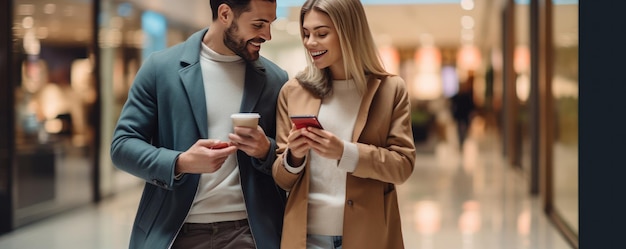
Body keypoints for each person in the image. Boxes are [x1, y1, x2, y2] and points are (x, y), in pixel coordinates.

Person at [110, 0, 287, 248]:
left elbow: (285, 158)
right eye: (259, 24)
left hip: (250, 234)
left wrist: (265, 150)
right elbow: (122, 147)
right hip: (175, 232)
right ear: (225, 14)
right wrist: (180, 163)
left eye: (270, 24)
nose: (267, 35)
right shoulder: (160, 69)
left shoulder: (276, 80)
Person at [271, 0, 416, 248]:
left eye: (322, 33)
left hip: (368, 234)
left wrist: (345, 152)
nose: (310, 42)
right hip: (306, 237)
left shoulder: (390, 90)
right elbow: (281, 178)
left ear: (349, 31)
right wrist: (293, 157)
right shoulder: (293, 92)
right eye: (306, 34)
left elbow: (402, 166)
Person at [450, 70, 476, 150]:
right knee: (459, 130)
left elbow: (471, 106)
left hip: (464, 116)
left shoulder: (466, 96)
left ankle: (462, 142)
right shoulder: (457, 96)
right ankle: (461, 142)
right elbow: (452, 105)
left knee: (464, 130)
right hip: (459, 116)